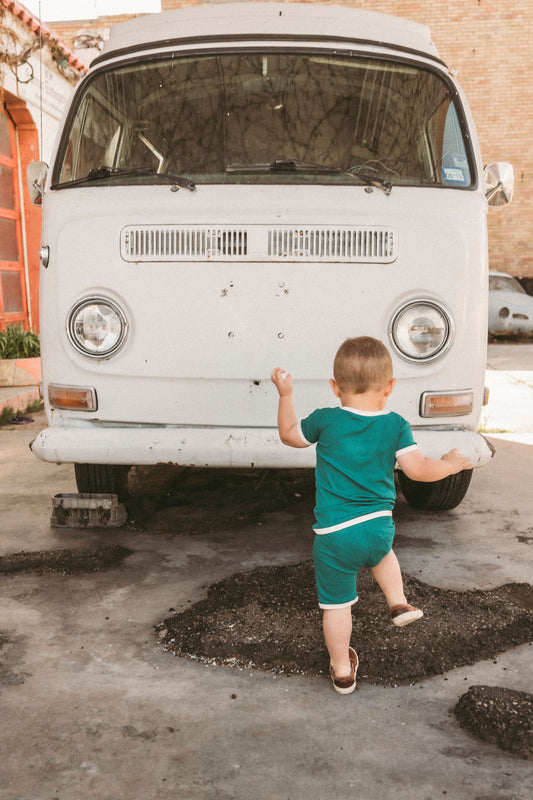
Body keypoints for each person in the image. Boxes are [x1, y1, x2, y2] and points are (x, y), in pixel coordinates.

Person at [271, 336, 472, 695]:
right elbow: (419, 470)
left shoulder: (325, 420)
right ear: (390, 387)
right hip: (378, 528)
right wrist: (451, 464)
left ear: (334, 388)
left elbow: (288, 436)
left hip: (334, 536)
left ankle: (342, 669)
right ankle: (397, 602)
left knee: (337, 608)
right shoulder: (395, 425)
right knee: (382, 554)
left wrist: (286, 394)